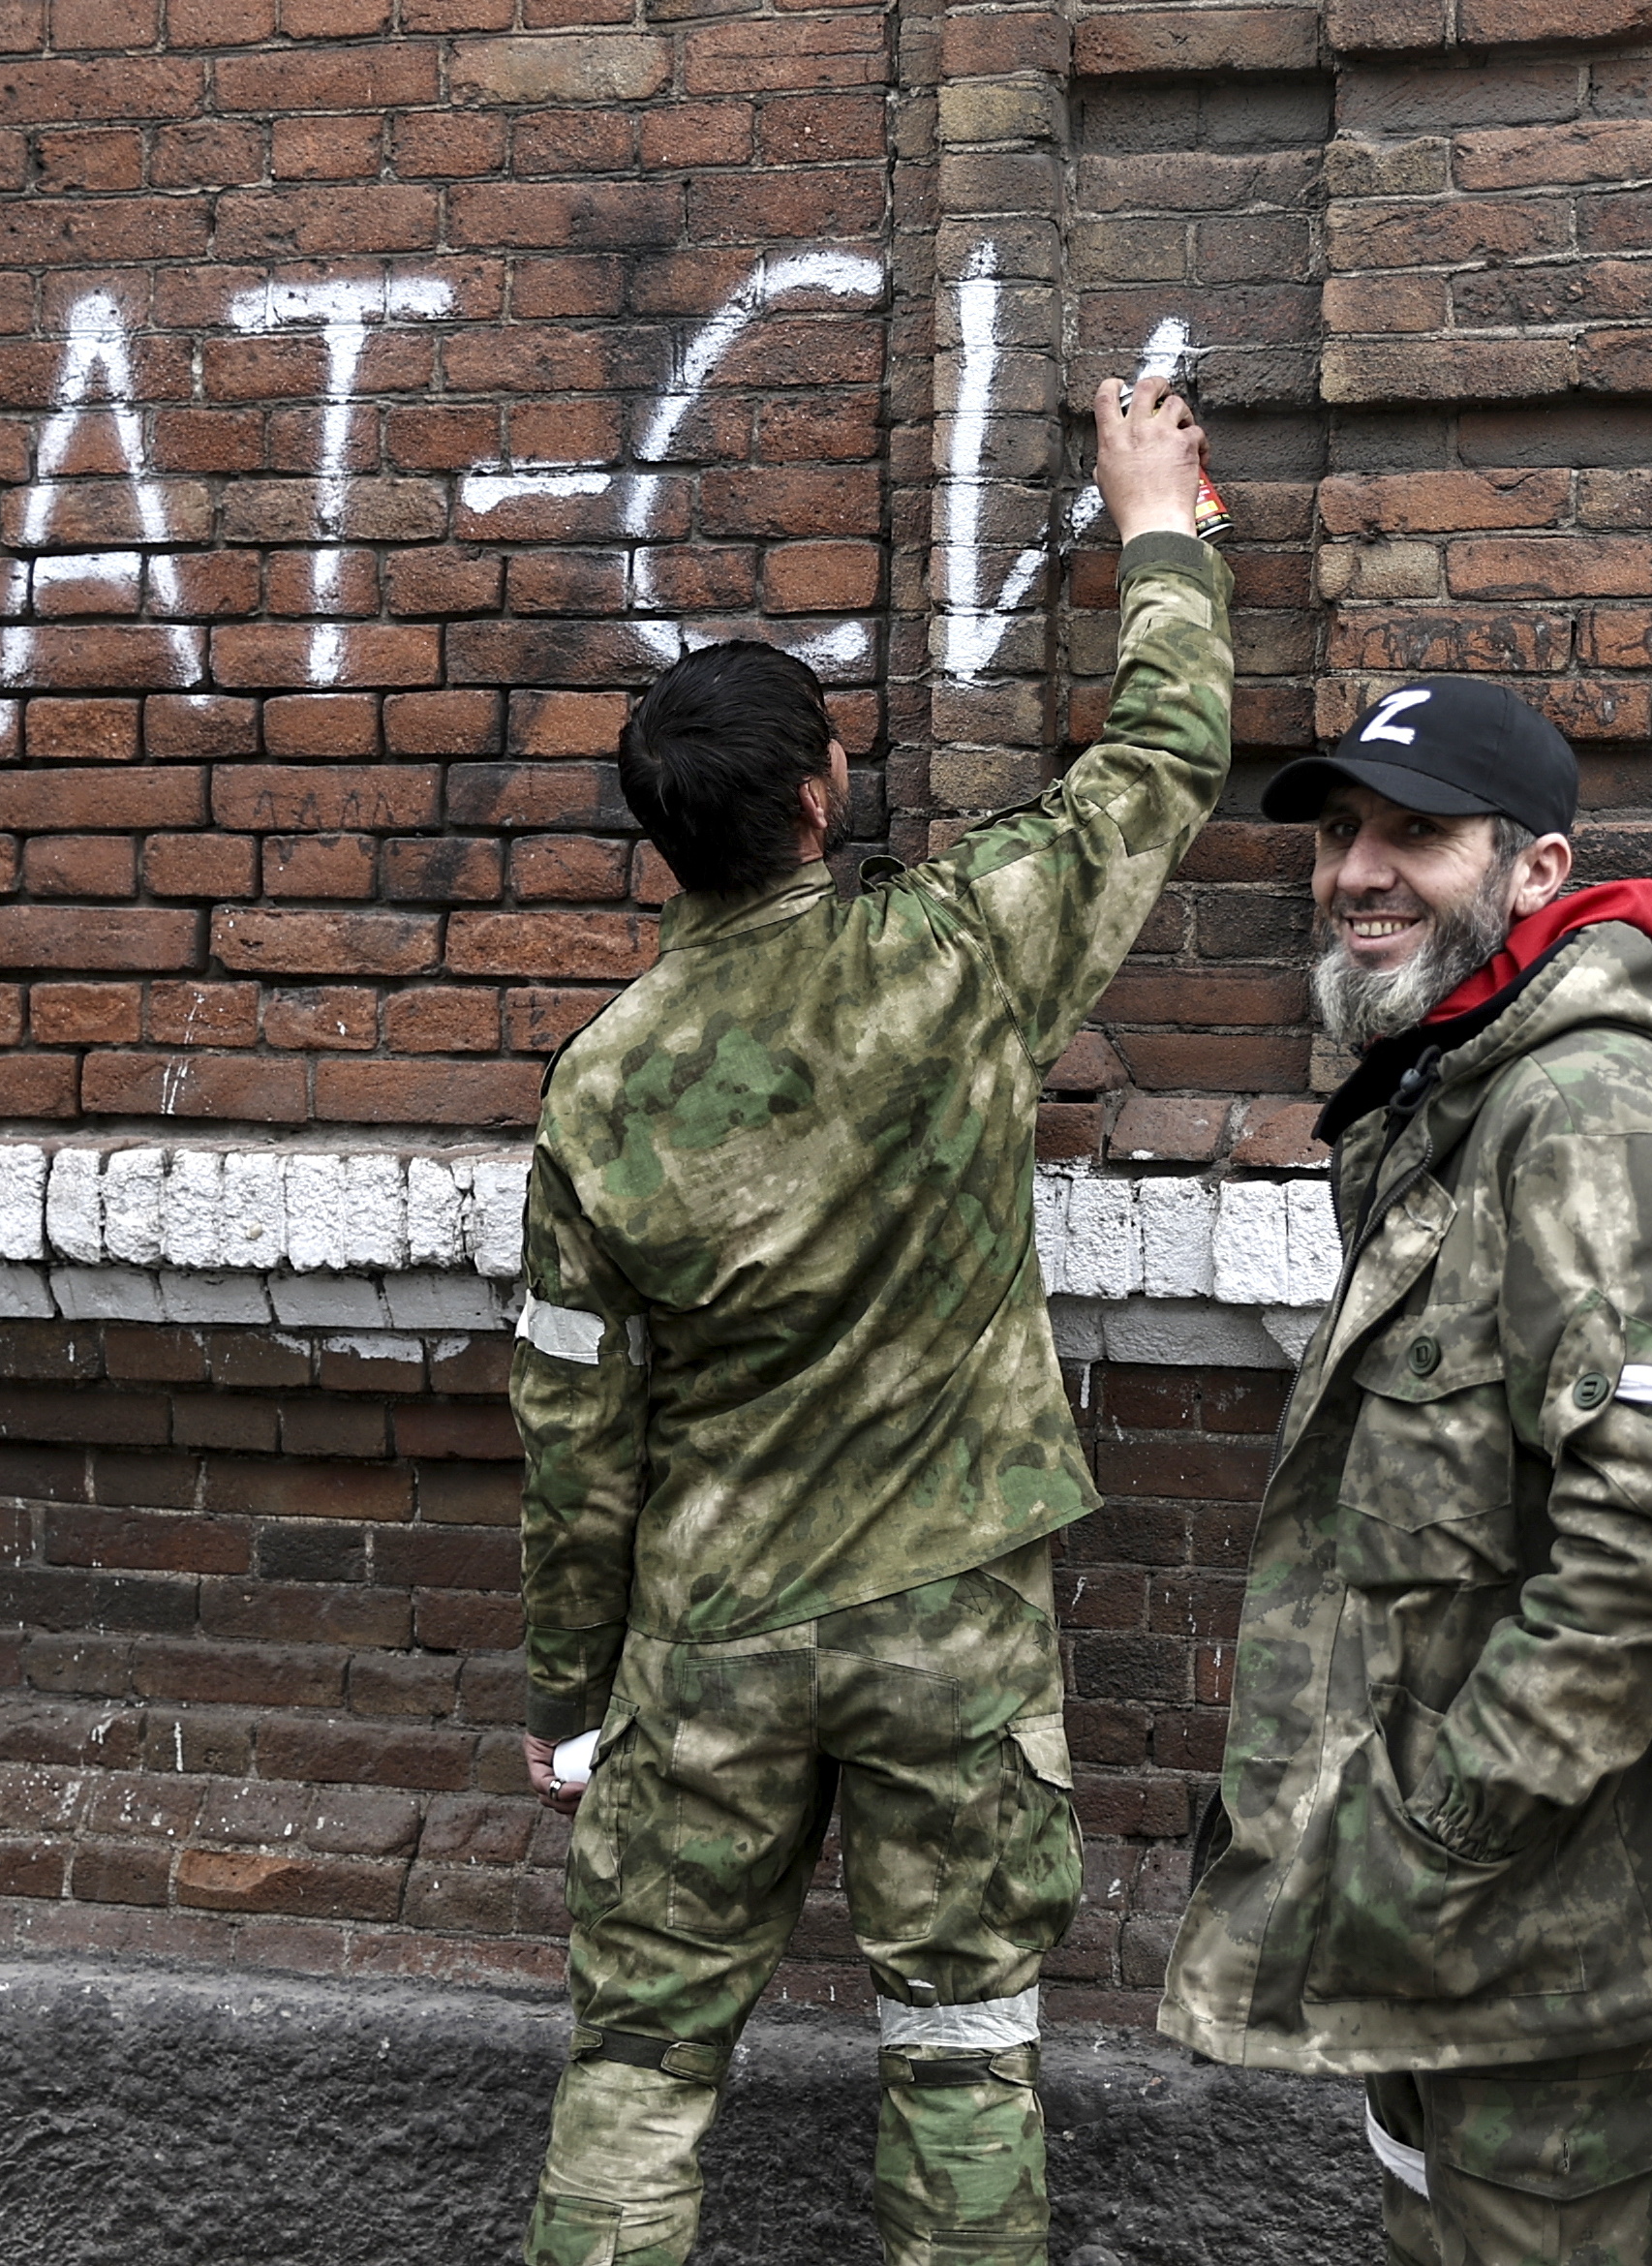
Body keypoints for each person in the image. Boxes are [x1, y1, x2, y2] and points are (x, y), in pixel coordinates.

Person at [511, 380, 1231, 2266]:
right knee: (965, 2052)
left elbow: (574, 1429)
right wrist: (1160, 524)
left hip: (711, 1631)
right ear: (820, 799)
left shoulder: (600, 1087)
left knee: (638, 2065)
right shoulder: (954, 955)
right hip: (949, 1618)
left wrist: (570, 1697)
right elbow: (1159, 756)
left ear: (665, 836)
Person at [1159, 682, 1652, 2265]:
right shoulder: (1453, 1091)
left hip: (1537, 1928)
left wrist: (1444, 1826)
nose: (1355, 872)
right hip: (1437, 1929)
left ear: (1533, 868)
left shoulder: (1582, 1111)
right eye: (1338, 832)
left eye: (1415, 834)